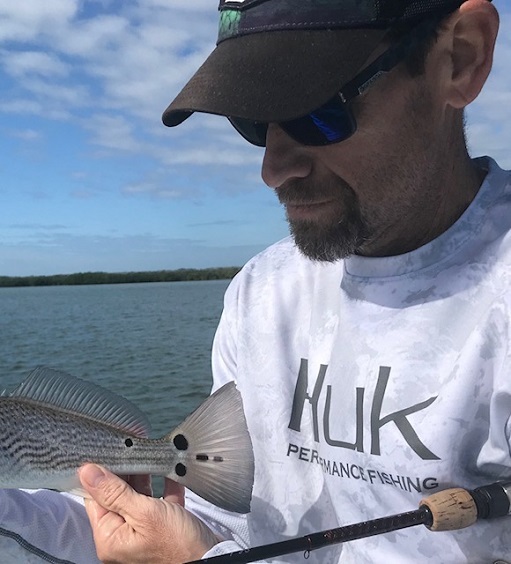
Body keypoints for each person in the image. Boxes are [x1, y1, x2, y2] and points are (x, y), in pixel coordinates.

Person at [0, 0, 508, 562]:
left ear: (461, 56)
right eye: (253, 123)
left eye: (317, 108)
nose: (273, 169)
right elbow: (222, 529)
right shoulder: (260, 292)